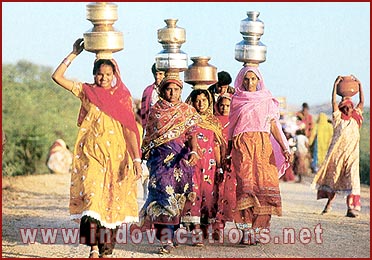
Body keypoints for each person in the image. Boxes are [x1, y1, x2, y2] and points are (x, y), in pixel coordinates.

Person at [51, 38, 142, 258]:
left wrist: (136, 160)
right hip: (91, 156)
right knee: (92, 199)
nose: (104, 78)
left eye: (108, 75)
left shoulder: (122, 97)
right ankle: (93, 247)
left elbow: (130, 130)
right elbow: (57, 77)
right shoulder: (86, 91)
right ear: (94, 74)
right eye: (100, 74)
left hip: (117, 158)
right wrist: (73, 54)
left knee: (112, 202)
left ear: (115, 76)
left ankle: (106, 251)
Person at [227, 66, 290, 245]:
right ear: (241, 80)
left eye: (253, 79)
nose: (250, 83)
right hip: (243, 146)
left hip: (263, 147)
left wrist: (284, 147)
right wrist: (227, 150)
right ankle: (246, 231)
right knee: (246, 187)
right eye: (246, 79)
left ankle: (258, 230)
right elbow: (231, 128)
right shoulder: (237, 99)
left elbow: (274, 125)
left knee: (264, 187)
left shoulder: (266, 100)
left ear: (259, 80)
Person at [139, 75, 202, 254]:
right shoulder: (155, 111)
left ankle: (172, 235)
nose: (172, 93)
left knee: (177, 197)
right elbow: (149, 136)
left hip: (180, 161)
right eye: (169, 89)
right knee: (162, 196)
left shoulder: (187, 111)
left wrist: (194, 151)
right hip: (159, 161)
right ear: (162, 90)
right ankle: (166, 239)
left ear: (181, 91)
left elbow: (192, 134)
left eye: (176, 89)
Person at [312, 75, 364, 218]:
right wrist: (335, 85)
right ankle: (328, 205)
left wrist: (359, 85)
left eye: (349, 106)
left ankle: (351, 208)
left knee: (353, 180)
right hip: (337, 155)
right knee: (335, 180)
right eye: (345, 107)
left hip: (352, 155)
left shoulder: (356, 117)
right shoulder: (338, 118)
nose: (347, 108)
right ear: (341, 108)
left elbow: (362, 101)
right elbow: (333, 101)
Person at [181, 89, 225, 246]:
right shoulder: (186, 120)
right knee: (193, 195)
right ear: (192, 102)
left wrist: (220, 166)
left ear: (209, 102)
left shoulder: (214, 122)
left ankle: (205, 227)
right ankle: (196, 231)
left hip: (210, 166)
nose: (201, 104)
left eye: (204, 100)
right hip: (192, 164)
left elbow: (217, 146)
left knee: (208, 197)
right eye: (197, 100)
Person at [140, 63, 166, 132]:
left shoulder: (170, 90)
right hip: (150, 128)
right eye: (155, 74)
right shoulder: (148, 91)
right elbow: (144, 112)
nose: (157, 77)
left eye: (160, 74)